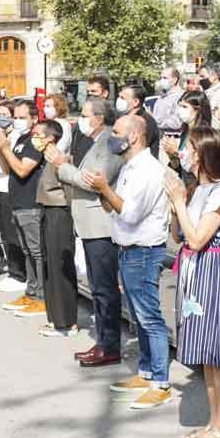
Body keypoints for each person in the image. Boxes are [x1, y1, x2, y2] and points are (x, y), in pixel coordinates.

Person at [88, 115, 173, 410]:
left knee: (149, 317)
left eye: (117, 132)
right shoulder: (129, 166)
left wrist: (105, 189)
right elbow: (115, 206)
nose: (112, 136)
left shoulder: (148, 169)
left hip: (144, 251)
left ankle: (160, 381)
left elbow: (130, 213)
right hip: (128, 249)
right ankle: (147, 372)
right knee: (138, 316)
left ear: (135, 136)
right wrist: (103, 191)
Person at [166, 126, 220, 438]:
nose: (184, 153)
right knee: (207, 354)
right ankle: (214, 422)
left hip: (211, 270)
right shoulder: (198, 190)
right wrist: (175, 206)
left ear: (202, 154)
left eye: (189, 148)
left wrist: (180, 203)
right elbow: (180, 236)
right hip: (194, 273)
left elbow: (197, 239)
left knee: (218, 352)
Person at [55, 97, 125, 367]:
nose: (80, 119)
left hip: (102, 225)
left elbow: (97, 181)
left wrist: (63, 166)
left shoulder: (109, 141)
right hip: (89, 224)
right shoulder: (95, 141)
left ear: (98, 118)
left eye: (84, 114)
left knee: (105, 289)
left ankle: (109, 345)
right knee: (98, 288)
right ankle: (104, 342)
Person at [0, 100, 47, 318]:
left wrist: (6, 148)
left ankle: (41, 296)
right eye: (16, 117)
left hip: (31, 204)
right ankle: (31, 292)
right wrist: (1, 147)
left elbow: (24, 170)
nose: (17, 121)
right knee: (26, 251)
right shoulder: (20, 139)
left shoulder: (35, 141)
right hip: (17, 202)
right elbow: (8, 168)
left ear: (34, 119)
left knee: (36, 251)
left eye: (23, 117)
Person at [30, 119, 78, 337]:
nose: (35, 137)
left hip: (59, 213)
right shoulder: (47, 158)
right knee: (50, 266)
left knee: (60, 266)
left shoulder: (61, 158)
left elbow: (70, 193)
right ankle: (55, 317)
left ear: (51, 137)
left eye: (39, 134)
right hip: (47, 212)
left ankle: (66, 322)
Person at [0, 102, 27, 293]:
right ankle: (13, 271)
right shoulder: (3, 136)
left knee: (12, 232)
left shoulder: (12, 137)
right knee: (5, 232)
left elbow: (7, 164)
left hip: (9, 188)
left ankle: (20, 274)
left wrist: (0, 145)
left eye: (5, 114)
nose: (1, 117)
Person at [159, 89, 212, 179]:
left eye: (184, 107)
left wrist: (176, 152)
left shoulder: (204, 134)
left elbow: (196, 165)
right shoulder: (186, 131)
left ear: (198, 110)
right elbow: (178, 166)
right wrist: (171, 155)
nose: (180, 110)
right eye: (179, 106)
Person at [116, 84, 161, 158]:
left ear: (136, 102)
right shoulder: (124, 118)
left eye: (122, 98)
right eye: (119, 96)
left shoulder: (145, 122)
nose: (119, 100)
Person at [152, 66, 185, 133]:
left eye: (165, 78)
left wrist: (154, 120)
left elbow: (177, 122)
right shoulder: (162, 97)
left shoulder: (180, 96)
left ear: (175, 80)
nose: (162, 80)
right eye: (160, 78)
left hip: (173, 138)